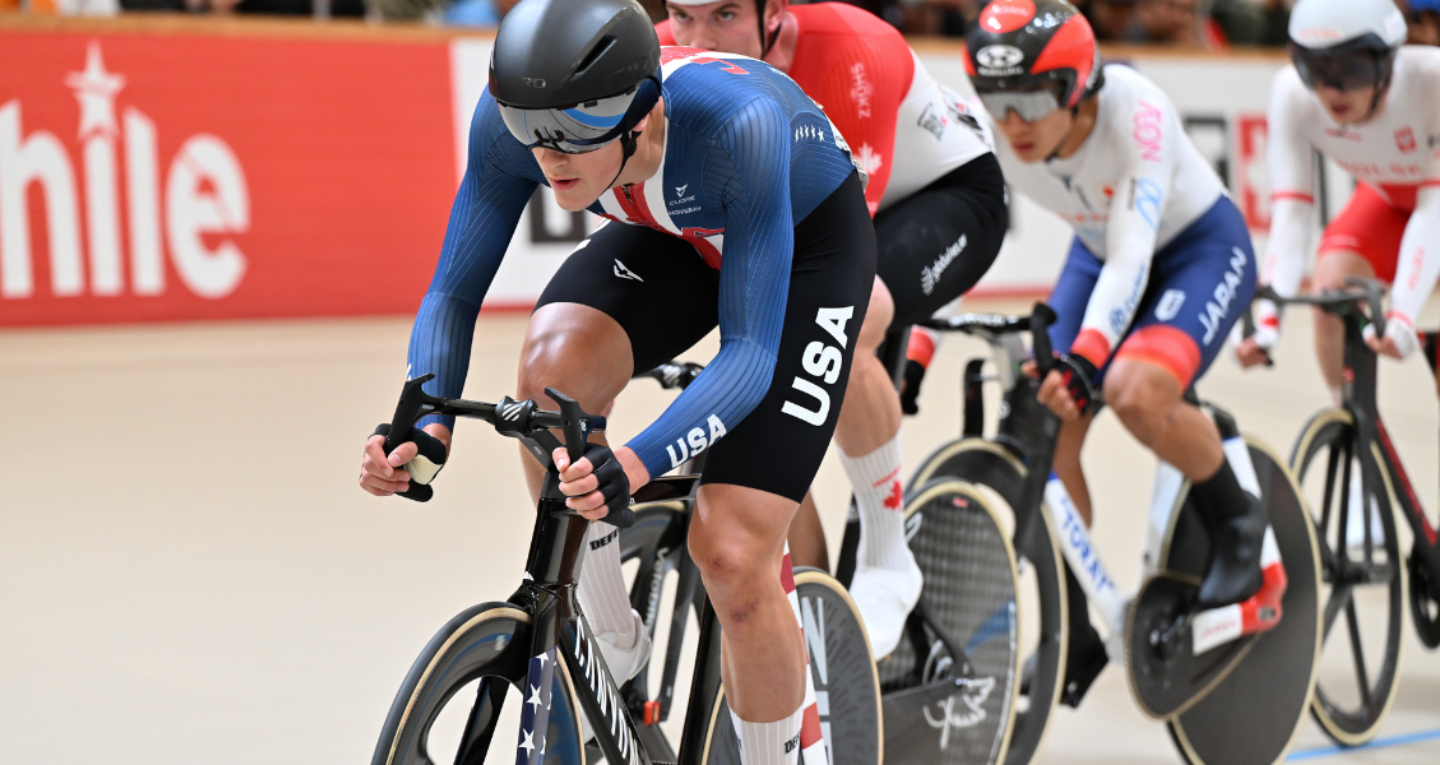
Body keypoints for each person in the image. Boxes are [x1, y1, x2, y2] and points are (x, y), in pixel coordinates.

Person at [358, 0, 875, 761]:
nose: (549, 153)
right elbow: (453, 293)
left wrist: (632, 463)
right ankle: (611, 645)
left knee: (732, 553)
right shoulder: (516, 125)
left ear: (639, 112)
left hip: (806, 249)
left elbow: (749, 358)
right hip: (673, 234)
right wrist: (425, 420)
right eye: (531, 126)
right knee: (549, 382)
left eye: (577, 126)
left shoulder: (739, 127)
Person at [658, 0, 1009, 658]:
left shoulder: (851, 50)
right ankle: (811, 608)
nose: (699, 39)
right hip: (830, 207)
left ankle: (888, 553)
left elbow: (838, 257)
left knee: (844, 323)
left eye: (725, 14)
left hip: (946, 196)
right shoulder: (663, 51)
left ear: (774, 12)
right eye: (682, 16)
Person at [964, 0, 1269, 677]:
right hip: (1099, 249)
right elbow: (964, 236)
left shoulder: (1135, 111)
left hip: (1196, 250)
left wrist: (1088, 358)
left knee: (1133, 390)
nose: (1011, 122)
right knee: (1042, 419)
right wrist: (921, 350)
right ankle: (1074, 614)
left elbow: (1134, 256)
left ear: (1076, 88)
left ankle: (1239, 523)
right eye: (995, 98)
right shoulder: (999, 131)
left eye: (1029, 98)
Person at [1239, 0, 1440, 387]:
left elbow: (1434, 211)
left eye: (1353, 69)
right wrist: (1268, 318)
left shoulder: (1431, 81)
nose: (1332, 90)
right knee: (1330, 292)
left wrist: (1402, 310)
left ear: (1387, 61)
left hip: (1432, 206)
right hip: (1393, 201)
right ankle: (1347, 415)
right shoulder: (1292, 92)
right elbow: (1291, 212)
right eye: (1314, 69)